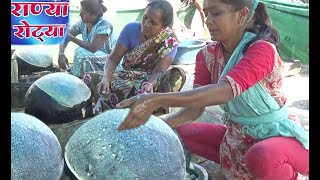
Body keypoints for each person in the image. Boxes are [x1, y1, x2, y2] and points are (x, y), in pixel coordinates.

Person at [115, 0, 309, 179]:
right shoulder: (206, 55)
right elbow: (195, 108)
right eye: (206, 14)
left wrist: (155, 99)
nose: (208, 21)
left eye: (216, 13)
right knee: (174, 133)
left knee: (263, 156)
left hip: (276, 136)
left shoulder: (261, 49)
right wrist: (156, 126)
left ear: (242, 15)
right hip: (238, 135)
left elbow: (224, 90)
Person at [95, 0, 186, 112]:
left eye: (153, 23)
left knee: (177, 74)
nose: (146, 24)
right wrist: (106, 77)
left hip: (149, 83)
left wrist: (150, 84)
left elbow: (159, 71)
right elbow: (113, 59)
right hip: (126, 78)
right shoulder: (130, 29)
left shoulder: (169, 42)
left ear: (164, 28)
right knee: (95, 80)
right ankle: (140, 106)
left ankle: (154, 108)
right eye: (145, 18)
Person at [58, 0, 117, 78]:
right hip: (95, 60)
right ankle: (80, 77)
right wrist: (61, 53)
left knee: (80, 52)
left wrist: (71, 38)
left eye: (83, 13)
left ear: (94, 15)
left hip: (110, 61)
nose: (80, 15)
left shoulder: (104, 25)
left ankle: (76, 78)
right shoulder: (82, 23)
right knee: (81, 55)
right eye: (80, 12)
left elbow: (93, 48)